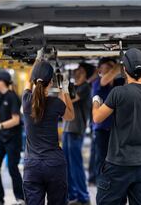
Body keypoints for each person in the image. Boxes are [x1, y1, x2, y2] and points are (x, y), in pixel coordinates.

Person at [92, 48, 141, 205]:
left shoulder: (118, 92)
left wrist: (96, 99)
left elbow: (97, 118)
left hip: (118, 164)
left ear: (124, 69)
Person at [22, 60, 75, 204]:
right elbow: (70, 116)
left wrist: (37, 61)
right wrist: (64, 90)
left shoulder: (26, 101)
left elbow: (28, 81)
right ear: (51, 82)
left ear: (34, 80)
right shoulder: (55, 103)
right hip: (54, 165)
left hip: (32, 166)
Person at [0, 70, 24, 205]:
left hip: (13, 138)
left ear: (2, 82)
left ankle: (21, 198)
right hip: (1, 138)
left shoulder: (13, 97)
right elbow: (0, 113)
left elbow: (16, 120)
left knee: (13, 168)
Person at [63, 63, 95, 205]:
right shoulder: (75, 87)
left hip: (76, 130)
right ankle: (72, 195)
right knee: (67, 165)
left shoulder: (85, 88)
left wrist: (63, 84)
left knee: (76, 164)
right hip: (67, 129)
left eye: (81, 72)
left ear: (86, 75)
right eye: (76, 71)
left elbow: (70, 98)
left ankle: (83, 196)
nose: (77, 73)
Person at [91, 58, 125, 183]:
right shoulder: (98, 82)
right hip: (102, 130)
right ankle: (103, 188)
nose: (111, 68)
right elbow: (106, 79)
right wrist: (119, 63)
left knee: (117, 161)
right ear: (100, 69)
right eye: (108, 66)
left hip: (117, 130)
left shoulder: (119, 83)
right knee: (102, 160)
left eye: (112, 66)